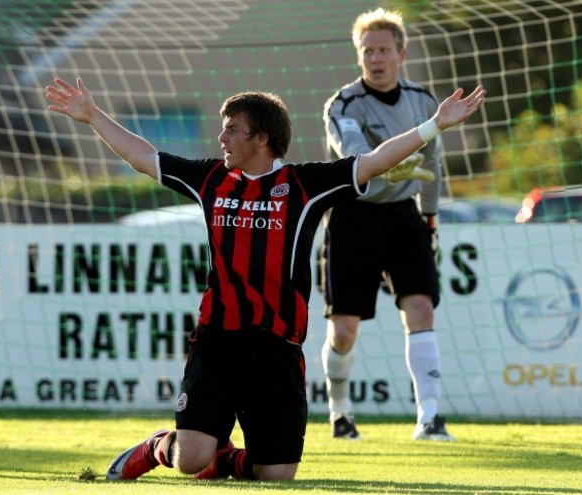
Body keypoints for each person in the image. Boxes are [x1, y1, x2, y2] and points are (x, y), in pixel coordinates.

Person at [45, 75, 484, 481]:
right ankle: (158, 447)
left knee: (276, 477)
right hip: (218, 341)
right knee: (190, 458)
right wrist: (91, 116)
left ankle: (226, 458)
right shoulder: (211, 179)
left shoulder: (304, 185)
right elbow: (145, 158)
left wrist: (434, 126)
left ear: (262, 137)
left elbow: (372, 162)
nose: (222, 138)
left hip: (277, 348)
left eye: (232, 129)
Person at [319, 7, 458, 442]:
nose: (374, 58)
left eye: (382, 50)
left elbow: (432, 161)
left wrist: (430, 214)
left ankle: (430, 418)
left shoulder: (423, 101)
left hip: (404, 215)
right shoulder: (342, 104)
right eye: (367, 51)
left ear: (401, 53)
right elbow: (355, 154)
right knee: (344, 331)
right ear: (359, 55)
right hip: (352, 216)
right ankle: (339, 410)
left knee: (421, 308)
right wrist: (383, 167)